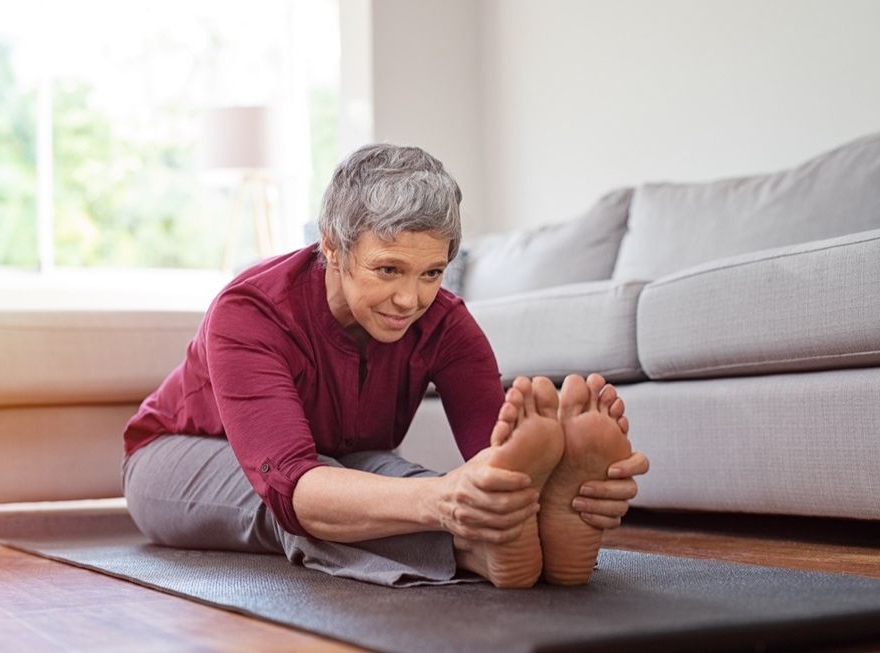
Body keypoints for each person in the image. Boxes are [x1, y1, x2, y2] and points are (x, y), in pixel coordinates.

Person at [122, 144, 650, 589]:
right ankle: (470, 549)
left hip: (339, 459)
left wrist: (562, 488)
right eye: (388, 269)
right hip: (182, 455)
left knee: (398, 480)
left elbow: (497, 459)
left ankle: (500, 537)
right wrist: (445, 500)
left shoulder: (446, 322)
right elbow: (292, 485)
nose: (409, 299)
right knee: (314, 504)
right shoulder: (250, 312)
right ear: (332, 247)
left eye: (431, 272)